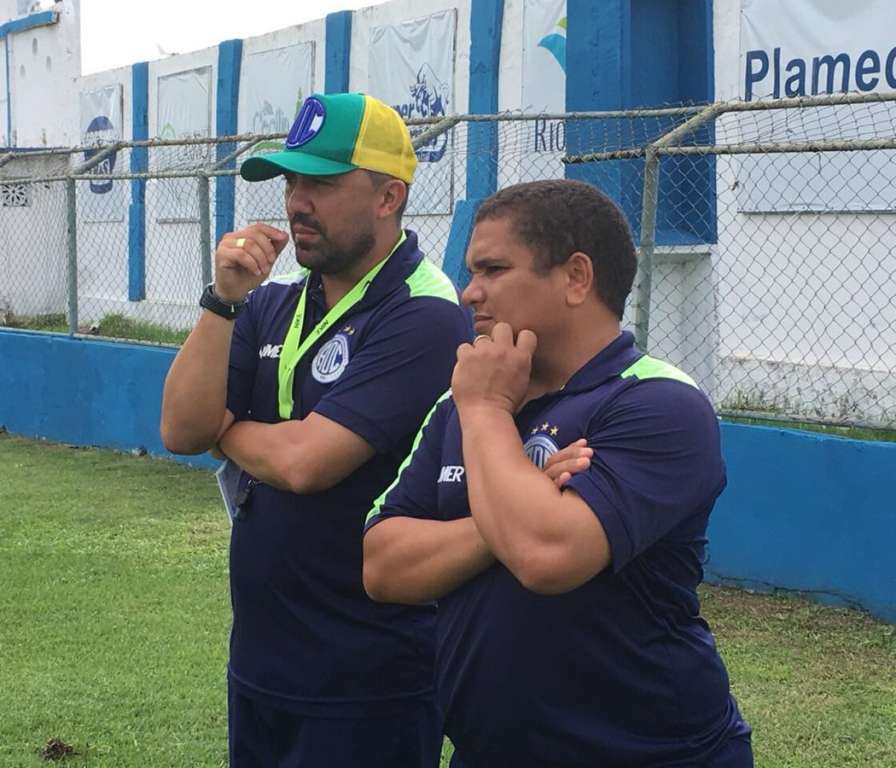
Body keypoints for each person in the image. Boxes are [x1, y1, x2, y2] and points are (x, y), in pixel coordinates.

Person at [363, 179, 753, 767]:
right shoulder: (459, 406)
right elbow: (383, 565)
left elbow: (546, 556)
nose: (470, 293)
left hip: (655, 755)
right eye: (471, 272)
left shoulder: (658, 403)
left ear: (576, 277)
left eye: (493, 270)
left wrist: (489, 414)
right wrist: (509, 514)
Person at [161, 92, 469, 767]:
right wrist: (223, 300)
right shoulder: (270, 302)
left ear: (388, 198)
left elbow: (307, 463)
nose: (297, 200)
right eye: (291, 180)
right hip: (265, 661)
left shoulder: (425, 315)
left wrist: (230, 430)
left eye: (322, 182)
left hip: (369, 676)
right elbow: (182, 427)